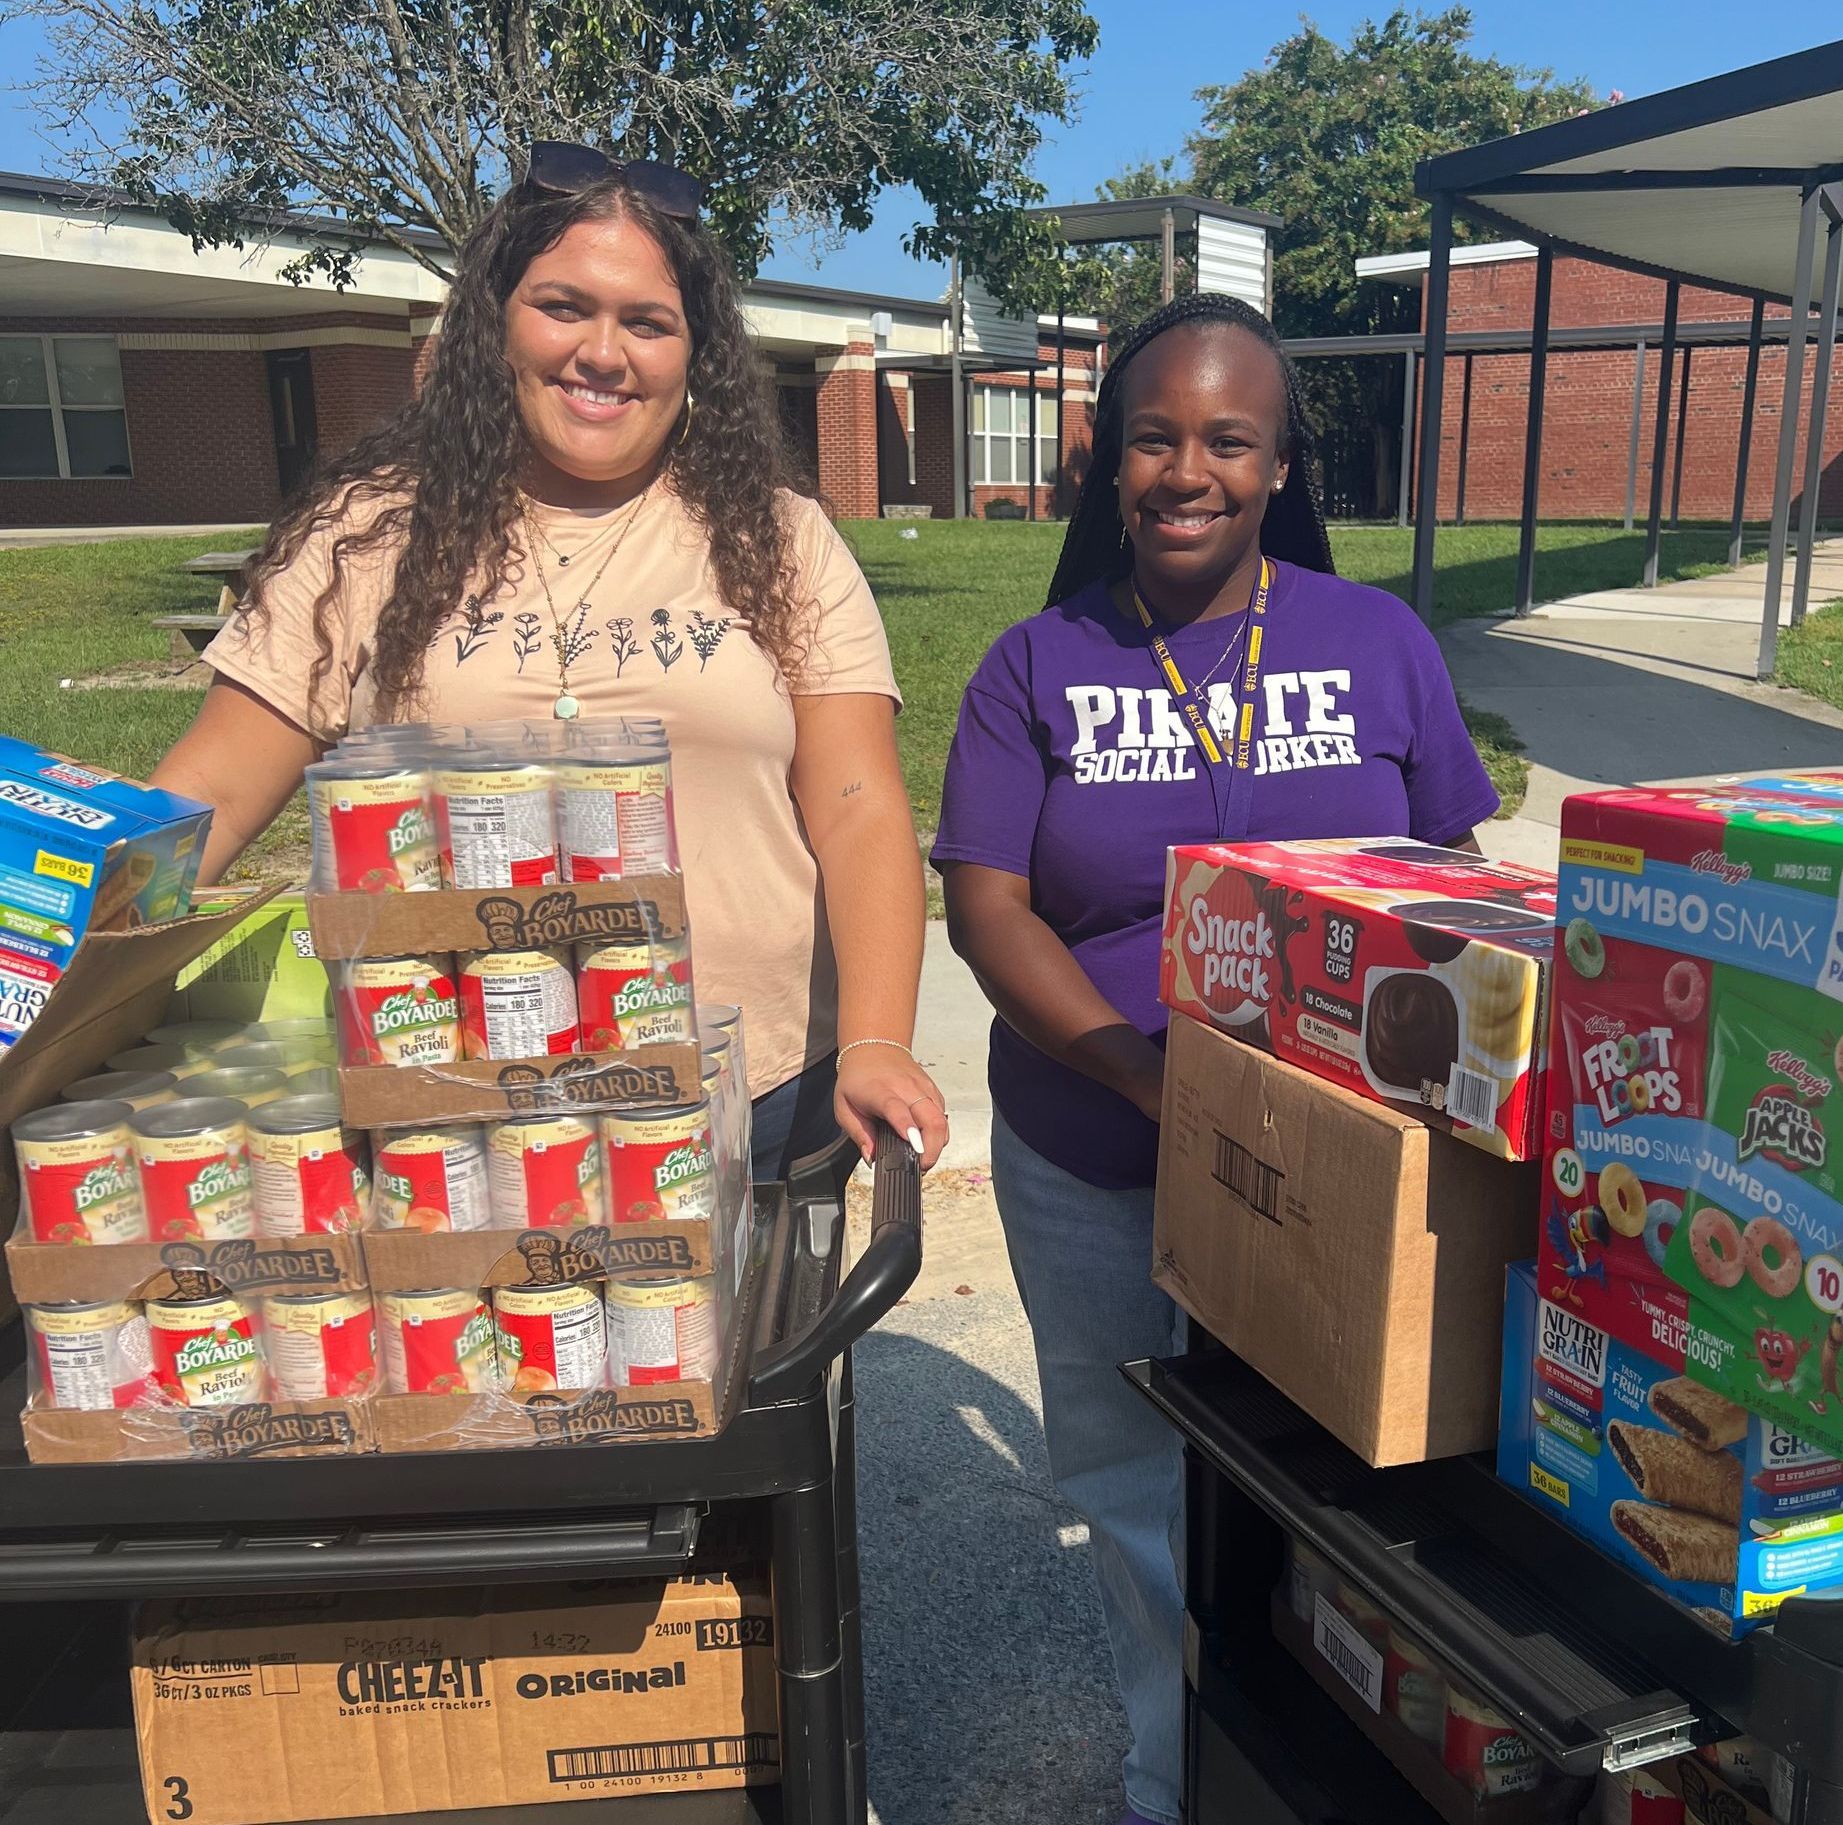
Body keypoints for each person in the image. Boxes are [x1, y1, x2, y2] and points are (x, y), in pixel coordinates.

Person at [932, 293, 1499, 1825]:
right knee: (1131, 1481)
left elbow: (1457, 882)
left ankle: (1328, 1768)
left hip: (1342, 1168)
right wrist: (1133, 1067)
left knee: (1348, 1483)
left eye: (1227, 440)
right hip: (1096, 1148)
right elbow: (985, 907)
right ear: (1110, 459)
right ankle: (1169, 1773)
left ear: (1279, 463)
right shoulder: (1034, 662)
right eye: (1154, 435)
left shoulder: (1375, 640)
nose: (1188, 469)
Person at [150, 143, 946, 1180]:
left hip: (752, 1094)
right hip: (445, 1095)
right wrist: (48, 944)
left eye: (648, 322)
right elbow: (208, 787)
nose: (604, 353)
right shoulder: (369, 533)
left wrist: (878, 1040)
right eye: (564, 307)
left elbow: (857, 802)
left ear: (692, 351)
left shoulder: (779, 538)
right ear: (495, 322)